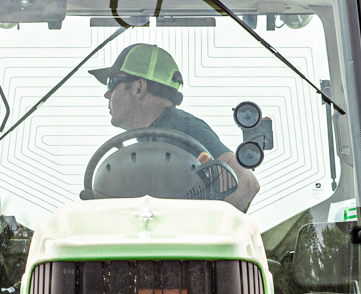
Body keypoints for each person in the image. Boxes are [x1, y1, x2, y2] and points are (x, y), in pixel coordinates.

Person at [91, 43, 258, 211]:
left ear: (138, 88)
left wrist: (205, 231)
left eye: (112, 83)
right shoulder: (150, 141)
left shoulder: (184, 127)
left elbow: (245, 184)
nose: (107, 94)